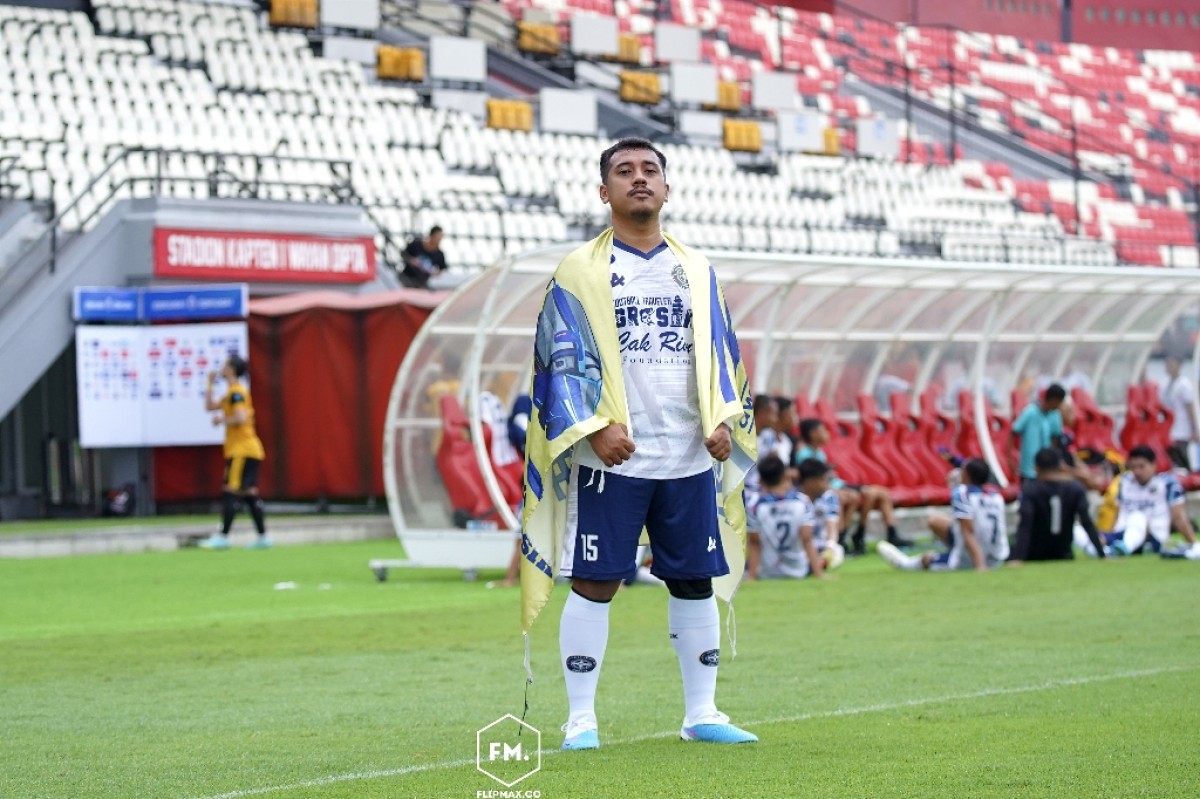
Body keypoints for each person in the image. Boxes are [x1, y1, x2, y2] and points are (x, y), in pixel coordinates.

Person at [519, 137, 759, 751]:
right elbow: (557, 356)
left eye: (650, 169)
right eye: (624, 171)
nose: (639, 178)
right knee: (596, 581)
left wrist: (723, 419)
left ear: (667, 188)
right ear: (605, 191)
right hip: (613, 457)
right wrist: (593, 427)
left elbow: (722, 353)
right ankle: (580, 719)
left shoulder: (697, 269)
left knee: (694, 580)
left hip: (688, 454)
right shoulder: (580, 270)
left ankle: (701, 713)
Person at [794, 418, 911, 553]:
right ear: (813, 434)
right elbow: (813, 481)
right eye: (823, 430)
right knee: (846, 497)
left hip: (838, 484)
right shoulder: (804, 454)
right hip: (829, 489)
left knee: (880, 493)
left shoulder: (819, 453)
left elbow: (830, 478)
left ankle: (883, 533)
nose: (827, 433)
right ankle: (843, 537)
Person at [877, 458, 1007, 572]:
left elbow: (968, 531)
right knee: (936, 520)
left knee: (927, 559)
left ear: (966, 474)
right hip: (996, 557)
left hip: (970, 559)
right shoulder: (995, 495)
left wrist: (980, 565)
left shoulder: (962, 494)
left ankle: (905, 564)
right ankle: (955, 552)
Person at [198, 355, 269, 550]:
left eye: (225, 364)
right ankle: (263, 538)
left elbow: (240, 417)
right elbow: (209, 407)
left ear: (231, 369)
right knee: (249, 493)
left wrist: (222, 420)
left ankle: (223, 537)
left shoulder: (237, 392)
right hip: (250, 450)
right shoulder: (231, 393)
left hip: (242, 450)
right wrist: (210, 384)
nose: (222, 367)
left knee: (230, 490)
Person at [1080, 445, 1200, 559]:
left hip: (1153, 537)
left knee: (1137, 517)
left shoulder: (1167, 483)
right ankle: (1106, 550)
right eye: (1133, 467)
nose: (1137, 472)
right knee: (1079, 531)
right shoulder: (1124, 480)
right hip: (1122, 532)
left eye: (1142, 467)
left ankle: (1123, 548)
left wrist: (1193, 543)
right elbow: (1118, 511)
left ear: (1154, 465)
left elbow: (1178, 516)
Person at [1008, 448, 1105, 564]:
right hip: (1064, 553)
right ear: (1061, 466)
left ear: (1036, 468)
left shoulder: (1031, 490)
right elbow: (1087, 522)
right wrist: (1102, 554)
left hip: (1033, 554)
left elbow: (1025, 526)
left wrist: (1018, 558)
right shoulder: (1075, 488)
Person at [751, 456, 839, 580]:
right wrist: (819, 573)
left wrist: (751, 577)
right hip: (798, 570)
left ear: (761, 480)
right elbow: (807, 539)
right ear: (785, 476)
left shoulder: (755, 505)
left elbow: (754, 543)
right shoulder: (801, 501)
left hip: (767, 572)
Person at [743, 395, 780, 580]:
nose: (776, 418)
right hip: (743, 489)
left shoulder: (769, 436)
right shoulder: (742, 433)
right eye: (773, 414)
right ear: (763, 413)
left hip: (763, 489)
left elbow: (773, 463)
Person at [1008, 383, 1066, 485]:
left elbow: (1055, 439)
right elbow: (1014, 432)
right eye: (1060, 402)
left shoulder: (1055, 416)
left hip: (1046, 471)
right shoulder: (1030, 412)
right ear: (1054, 400)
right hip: (1028, 467)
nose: (1060, 406)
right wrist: (1009, 457)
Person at [1162, 355, 1198, 471]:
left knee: (1182, 456)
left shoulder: (1184, 384)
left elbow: (1190, 408)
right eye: (1167, 364)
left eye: (1171, 364)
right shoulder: (1165, 384)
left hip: (1182, 428)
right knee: (1173, 458)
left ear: (1179, 366)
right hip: (1169, 429)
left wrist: (1194, 429)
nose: (1169, 367)